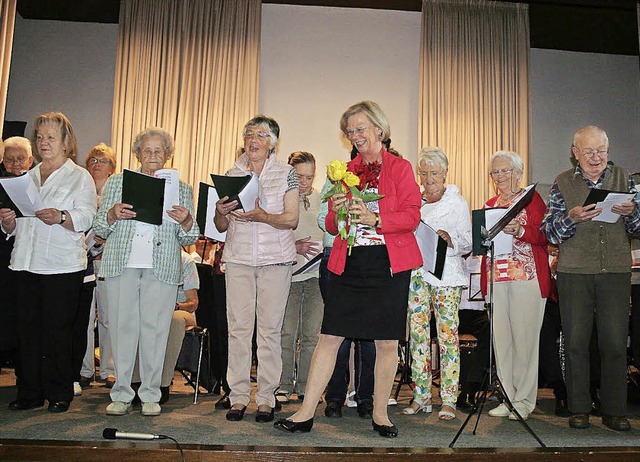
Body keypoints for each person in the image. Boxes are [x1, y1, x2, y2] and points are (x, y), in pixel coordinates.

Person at [275, 101, 422, 438]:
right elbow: (329, 222)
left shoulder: (400, 168)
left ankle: (381, 415)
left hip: (388, 264)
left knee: (386, 342)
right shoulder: (343, 171)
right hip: (349, 261)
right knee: (329, 337)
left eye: (361, 128)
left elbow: (413, 216)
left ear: (380, 131)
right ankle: (305, 412)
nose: (355, 135)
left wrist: (376, 219)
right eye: (350, 130)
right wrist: (337, 211)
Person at [93, 127, 199, 416]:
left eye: (159, 151)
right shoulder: (117, 183)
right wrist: (112, 214)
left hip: (162, 265)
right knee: (121, 329)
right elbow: (99, 227)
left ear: (167, 156)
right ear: (137, 154)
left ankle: (151, 393)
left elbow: (191, 238)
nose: (153, 156)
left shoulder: (182, 188)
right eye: (147, 151)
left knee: (155, 331)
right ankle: (122, 393)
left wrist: (187, 220)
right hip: (122, 263)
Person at [541, 125, 640, 431]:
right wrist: (570, 218)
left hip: (615, 271)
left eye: (601, 151)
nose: (596, 157)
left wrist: (631, 213)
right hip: (573, 273)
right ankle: (579, 408)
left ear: (608, 152)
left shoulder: (627, 181)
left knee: (613, 342)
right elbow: (549, 231)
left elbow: (638, 228)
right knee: (576, 342)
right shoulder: (560, 184)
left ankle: (614, 411)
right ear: (576, 154)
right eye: (589, 151)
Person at [1, 112, 97, 413]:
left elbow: (86, 217)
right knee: (27, 332)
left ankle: (58, 392)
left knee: (57, 333)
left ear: (66, 142)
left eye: (50, 137)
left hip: (60, 265)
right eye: (39, 137)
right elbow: (19, 225)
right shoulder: (26, 176)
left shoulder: (79, 176)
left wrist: (61, 217)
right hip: (25, 262)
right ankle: (29, 391)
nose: (43, 143)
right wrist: (7, 223)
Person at [214, 115, 299, 423]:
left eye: (261, 135)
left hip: (275, 259)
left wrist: (262, 216)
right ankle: (237, 397)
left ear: (272, 143)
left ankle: (265, 398)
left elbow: (291, 219)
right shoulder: (231, 172)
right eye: (249, 134)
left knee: (269, 331)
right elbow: (220, 226)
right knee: (237, 330)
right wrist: (220, 212)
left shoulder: (287, 172)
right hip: (237, 258)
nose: (253, 140)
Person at [404, 146, 472, 420]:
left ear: (445, 172)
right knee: (418, 337)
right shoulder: (413, 201)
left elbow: (468, 241)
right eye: (424, 173)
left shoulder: (456, 202)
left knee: (447, 338)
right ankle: (421, 396)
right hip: (417, 276)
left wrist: (450, 240)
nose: (429, 178)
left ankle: (449, 398)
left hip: (446, 276)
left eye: (434, 172)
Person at [482, 150, 550, 421]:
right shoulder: (490, 203)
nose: (500, 176)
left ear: (519, 173)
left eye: (505, 170)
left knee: (525, 341)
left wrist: (520, 231)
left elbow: (545, 236)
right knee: (503, 342)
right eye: (495, 172)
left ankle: (524, 400)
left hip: (527, 278)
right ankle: (507, 397)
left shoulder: (532, 200)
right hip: (498, 278)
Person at [277, 151, 323, 404]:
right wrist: (294, 246)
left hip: (315, 275)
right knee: (286, 333)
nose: (305, 182)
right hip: (289, 274)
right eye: (300, 176)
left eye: (310, 177)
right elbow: (271, 231)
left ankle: (306, 385)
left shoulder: (320, 199)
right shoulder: (282, 197)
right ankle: (283, 384)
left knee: (311, 335)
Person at [72, 143, 118, 394]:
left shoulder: (117, 193)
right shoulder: (80, 190)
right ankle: (85, 369)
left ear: (112, 167)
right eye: (93, 159)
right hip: (84, 262)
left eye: (102, 160)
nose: (97, 164)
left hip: (109, 262)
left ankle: (109, 370)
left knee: (109, 318)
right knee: (85, 318)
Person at [0, 137, 34, 375]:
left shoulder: (37, 183)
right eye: (9, 159)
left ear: (30, 161)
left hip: (27, 258)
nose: (14, 164)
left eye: (19, 159)